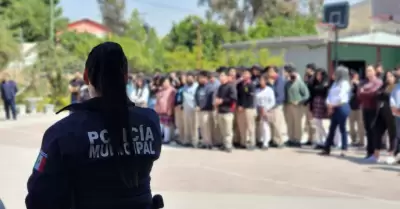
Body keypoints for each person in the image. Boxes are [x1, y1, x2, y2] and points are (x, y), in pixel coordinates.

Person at [25, 42, 162, 209]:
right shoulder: (150, 122)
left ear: (86, 76)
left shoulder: (64, 133)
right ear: (125, 76)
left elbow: (38, 197)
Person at [319, 66, 351, 156]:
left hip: (341, 107)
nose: (335, 74)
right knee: (332, 128)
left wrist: (332, 105)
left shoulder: (345, 84)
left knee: (342, 128)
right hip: (333, 107)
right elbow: (330, 95)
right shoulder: (335, 83)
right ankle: (327, 148)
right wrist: (328, 104)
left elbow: (342, 97)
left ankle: (344, 148)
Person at [358, 65, 383, 161]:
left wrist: (364, 92)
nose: (368, 72)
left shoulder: (378, 82)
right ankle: (369, 152)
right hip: (365, 108)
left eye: (370, 70)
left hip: (374, 109)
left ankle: (375, 153)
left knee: (374, 131)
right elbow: (359, 94)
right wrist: (364, 92)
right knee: (367, 130)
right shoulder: (364, 82)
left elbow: (373, 93)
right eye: (367, 71)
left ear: (374, 72)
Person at [215, 70, 237, 152]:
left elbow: (233, 98)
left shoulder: (231, 86)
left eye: (222, 76)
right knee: (223, 130)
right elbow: (218, 97)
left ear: (227, 77)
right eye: (220, 76)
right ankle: (224, 144)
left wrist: (223, 101)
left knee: (228, 130)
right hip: (221, 111)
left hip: (228, 111)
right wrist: (217, 101)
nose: (221, 77)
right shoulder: (220, 87)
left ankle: (228, 145)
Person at [255, 74, 275, 150]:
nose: (261, 82)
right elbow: (255, 100)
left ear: (266, 81)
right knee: (259, 126)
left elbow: (272, 101)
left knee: (265, 126)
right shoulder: (257, 90)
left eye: (262, 80)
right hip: (258, 109)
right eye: (260, 80)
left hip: (267, 110)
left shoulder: (269, 90)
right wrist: (258, 108)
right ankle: (260, 140)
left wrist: (265, 108)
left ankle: (266, 143)